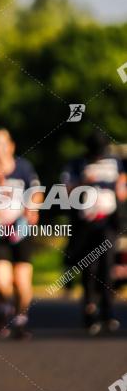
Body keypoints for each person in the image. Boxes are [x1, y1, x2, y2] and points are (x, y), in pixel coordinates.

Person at [61, 130, 126, 335]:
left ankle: (108, 311)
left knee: (107, 266)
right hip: (86, 223)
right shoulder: (78, 164)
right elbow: (65, 189)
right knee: (90, 267)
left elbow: (123, 181)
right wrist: (83, 182)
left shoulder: (115, 162)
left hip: (108, 222)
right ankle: (90, 309)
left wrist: (121, 187)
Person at [0, 129, 42, 339]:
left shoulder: (23, 168)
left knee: (22, 281)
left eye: (1, 144)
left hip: (21, 230)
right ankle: (4, 308)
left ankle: (20, 318)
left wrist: (32, 208)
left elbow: (36, 191)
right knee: (1, 281)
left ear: (11, 146)